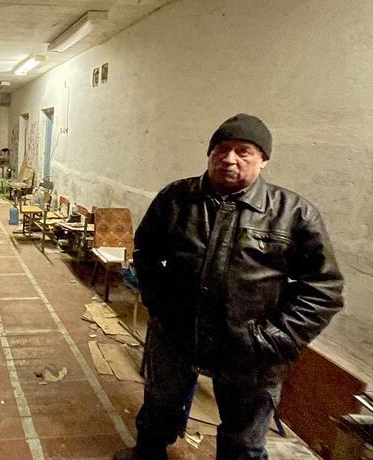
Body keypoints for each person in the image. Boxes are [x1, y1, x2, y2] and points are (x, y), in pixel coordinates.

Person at [115, 114, 344, 460]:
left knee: (244, 439)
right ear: (209, 154)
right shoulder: (177, 199)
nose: (229, 158)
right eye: (221, 149)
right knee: (160, 404)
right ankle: (148, 453)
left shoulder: (293, 213)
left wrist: (274, 339)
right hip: (176, 336)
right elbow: (146, 252)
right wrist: (161, 305)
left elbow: (324, 288)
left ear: (264, 159)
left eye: (244, 151)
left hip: (250, 349)